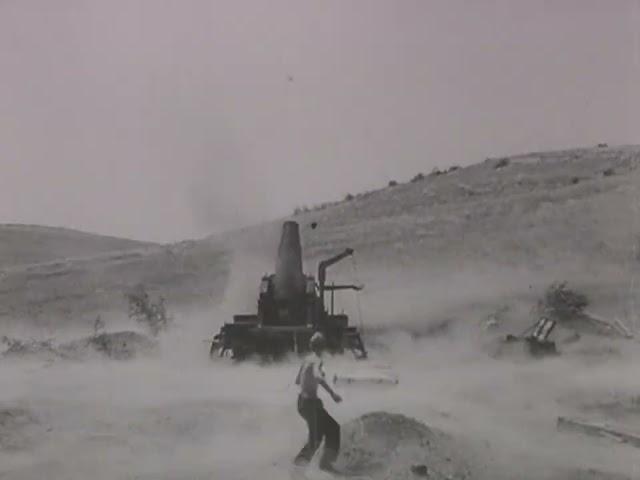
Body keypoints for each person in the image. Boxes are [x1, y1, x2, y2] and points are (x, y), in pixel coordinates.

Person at [293, 331, 342, 472]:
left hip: (302, 403)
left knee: (317, 437)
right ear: (322, 347)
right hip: (310, 404)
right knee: (333, 429)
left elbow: (297, 380)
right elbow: (317, 376)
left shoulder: (307, 359)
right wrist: (333, 394)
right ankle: (325, 464)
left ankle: (299, 464)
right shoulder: (316, 360)